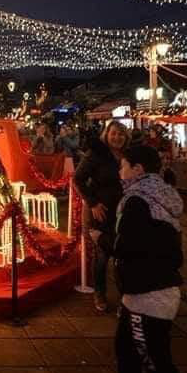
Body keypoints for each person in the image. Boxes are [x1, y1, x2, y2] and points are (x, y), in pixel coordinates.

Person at [96, 144, 187, 373]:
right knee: (125, 349)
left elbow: (127, 243)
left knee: (156, 364)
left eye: (123, 166)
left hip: (149, 293)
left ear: (138, 169)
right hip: (150, 288)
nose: (120, 171)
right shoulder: (159, 195)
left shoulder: (137, 200)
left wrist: (102, 240)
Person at [73, 119, 129, 312]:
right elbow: (78, 179)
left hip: (124, 212)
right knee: (103, 256)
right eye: (114, 133)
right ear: (106, 134)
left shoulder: (128, 155)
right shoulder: (96, 154)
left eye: (121, 134)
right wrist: (93, 203)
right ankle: (100, 293)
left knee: (123, 255)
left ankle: (126, 297)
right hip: (102, 211)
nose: (117, 137)